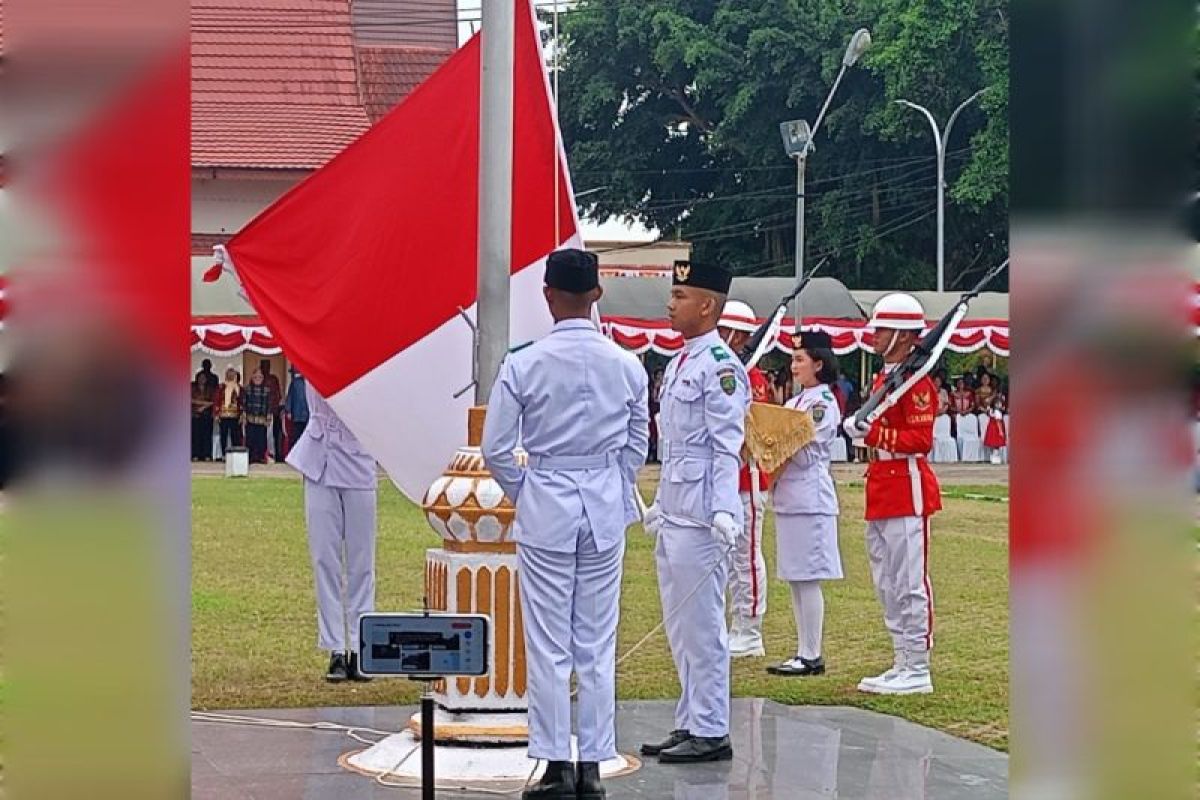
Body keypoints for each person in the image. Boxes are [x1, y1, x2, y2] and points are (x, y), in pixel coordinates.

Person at [482, 248, 649, 800]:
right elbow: (637, 443)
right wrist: (611, 484)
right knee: (597, 642)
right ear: (596, 295)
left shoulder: (524, 362)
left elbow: (497, 447)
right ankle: (594, 764)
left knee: (549, 641)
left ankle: (555, 764)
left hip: (548, 497)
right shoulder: (625, 363)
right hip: (601, 501)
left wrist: (526, 492)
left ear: (548, 295)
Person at [641, 260, 749, 764]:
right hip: (678, 508)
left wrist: (726, 511)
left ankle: (712, 728)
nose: (671, 303)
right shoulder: (684, 360)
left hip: (706, 516)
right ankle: (690, 719)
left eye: (680, 295)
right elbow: (678, 446)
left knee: (704, 626)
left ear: (707, 305)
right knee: (680, 625)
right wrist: (661, 504)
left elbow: (726, 447)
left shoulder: (722, 367)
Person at [843, 293, 942, 695]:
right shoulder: (887, 379)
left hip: (907, 484)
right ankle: (901, 658)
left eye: (882, 329)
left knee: (909, 580)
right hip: (882, 483)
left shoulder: (917, 384)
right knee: (886, 580)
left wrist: (875, 433)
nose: (874, 336)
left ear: (902, 336)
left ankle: (917, 665)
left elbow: (921, 439)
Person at [286, 384, 377, 683]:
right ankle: (336, 648)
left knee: (361, 563)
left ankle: (361, 648)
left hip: (359, 459)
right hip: (319, 461)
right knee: (324, 560)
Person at [767, 332, 842, 677]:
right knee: (796, 576)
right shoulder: (798, 402)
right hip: (791, 495)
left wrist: (769, 461)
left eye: (800, 359)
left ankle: (811, 653)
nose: (794, 365)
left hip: (809, 496)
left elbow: (795, 443)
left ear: (819, 363)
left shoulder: (821, 403)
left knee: (808, 577)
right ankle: (803, 649)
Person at [715, 299, 772, 658]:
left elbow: (754, 429)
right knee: (725, 558)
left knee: (746, 556)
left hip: (746, 479)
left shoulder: (752, 378)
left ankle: (750, 628)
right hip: (725, 481)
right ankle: (735, 623)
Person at [243, 369, 273, 464]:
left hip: (262, 419)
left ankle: (261, 457)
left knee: (261, 439)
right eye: (255, 377)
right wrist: (243, 416)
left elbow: (269, 404)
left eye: (259, 377)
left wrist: (268, 416)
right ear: (252, 378)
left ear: (262, 378)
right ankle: (250, 457)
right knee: (250, 439)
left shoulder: (267, 390)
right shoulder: (247, 389)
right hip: (250, 418)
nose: (257, 379)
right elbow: (244, 404)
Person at [213, 366, 243, 456]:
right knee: (224, 436)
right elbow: (216, 400)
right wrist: (216, 414)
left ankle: (236, 454)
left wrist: (242, 414)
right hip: (223, 415)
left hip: (236, 416)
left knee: (236, 436)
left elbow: (242, 401)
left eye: (232, 374)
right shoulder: (221, 387)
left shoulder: (239, 388)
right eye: (229, 374)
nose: (230, 376)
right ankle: (223, 455)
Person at [259, 360, 284, 460]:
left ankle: (275, 454)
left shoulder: (273, 379)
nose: (265, 368)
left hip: (273, 411)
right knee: (261, 434)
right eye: (263, 366)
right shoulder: (259, 379)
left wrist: (276, 407)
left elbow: (278, 394)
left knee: (275, 434)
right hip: (261, 412)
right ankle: (262, 454)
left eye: (267, 366)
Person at [284, 366, 310, 449]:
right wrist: (288, 410)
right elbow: (290, 396)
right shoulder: (295, 382)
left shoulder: (312, 383)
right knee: (296, 435)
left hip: (309, 414)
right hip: (297, 414)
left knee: (307, 437)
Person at [191, 378, 215, 461]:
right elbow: (190, 400)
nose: (202, 379)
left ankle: (207, 454)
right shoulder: (193, 389)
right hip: (195, 415)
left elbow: (214, 401)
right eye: (200, 378)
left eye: (204, 378)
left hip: (207, 415)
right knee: (196, 435)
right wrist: (204, 403)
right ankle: (195, 454)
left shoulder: (209, 389)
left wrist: (203, 407)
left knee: (207, 435)